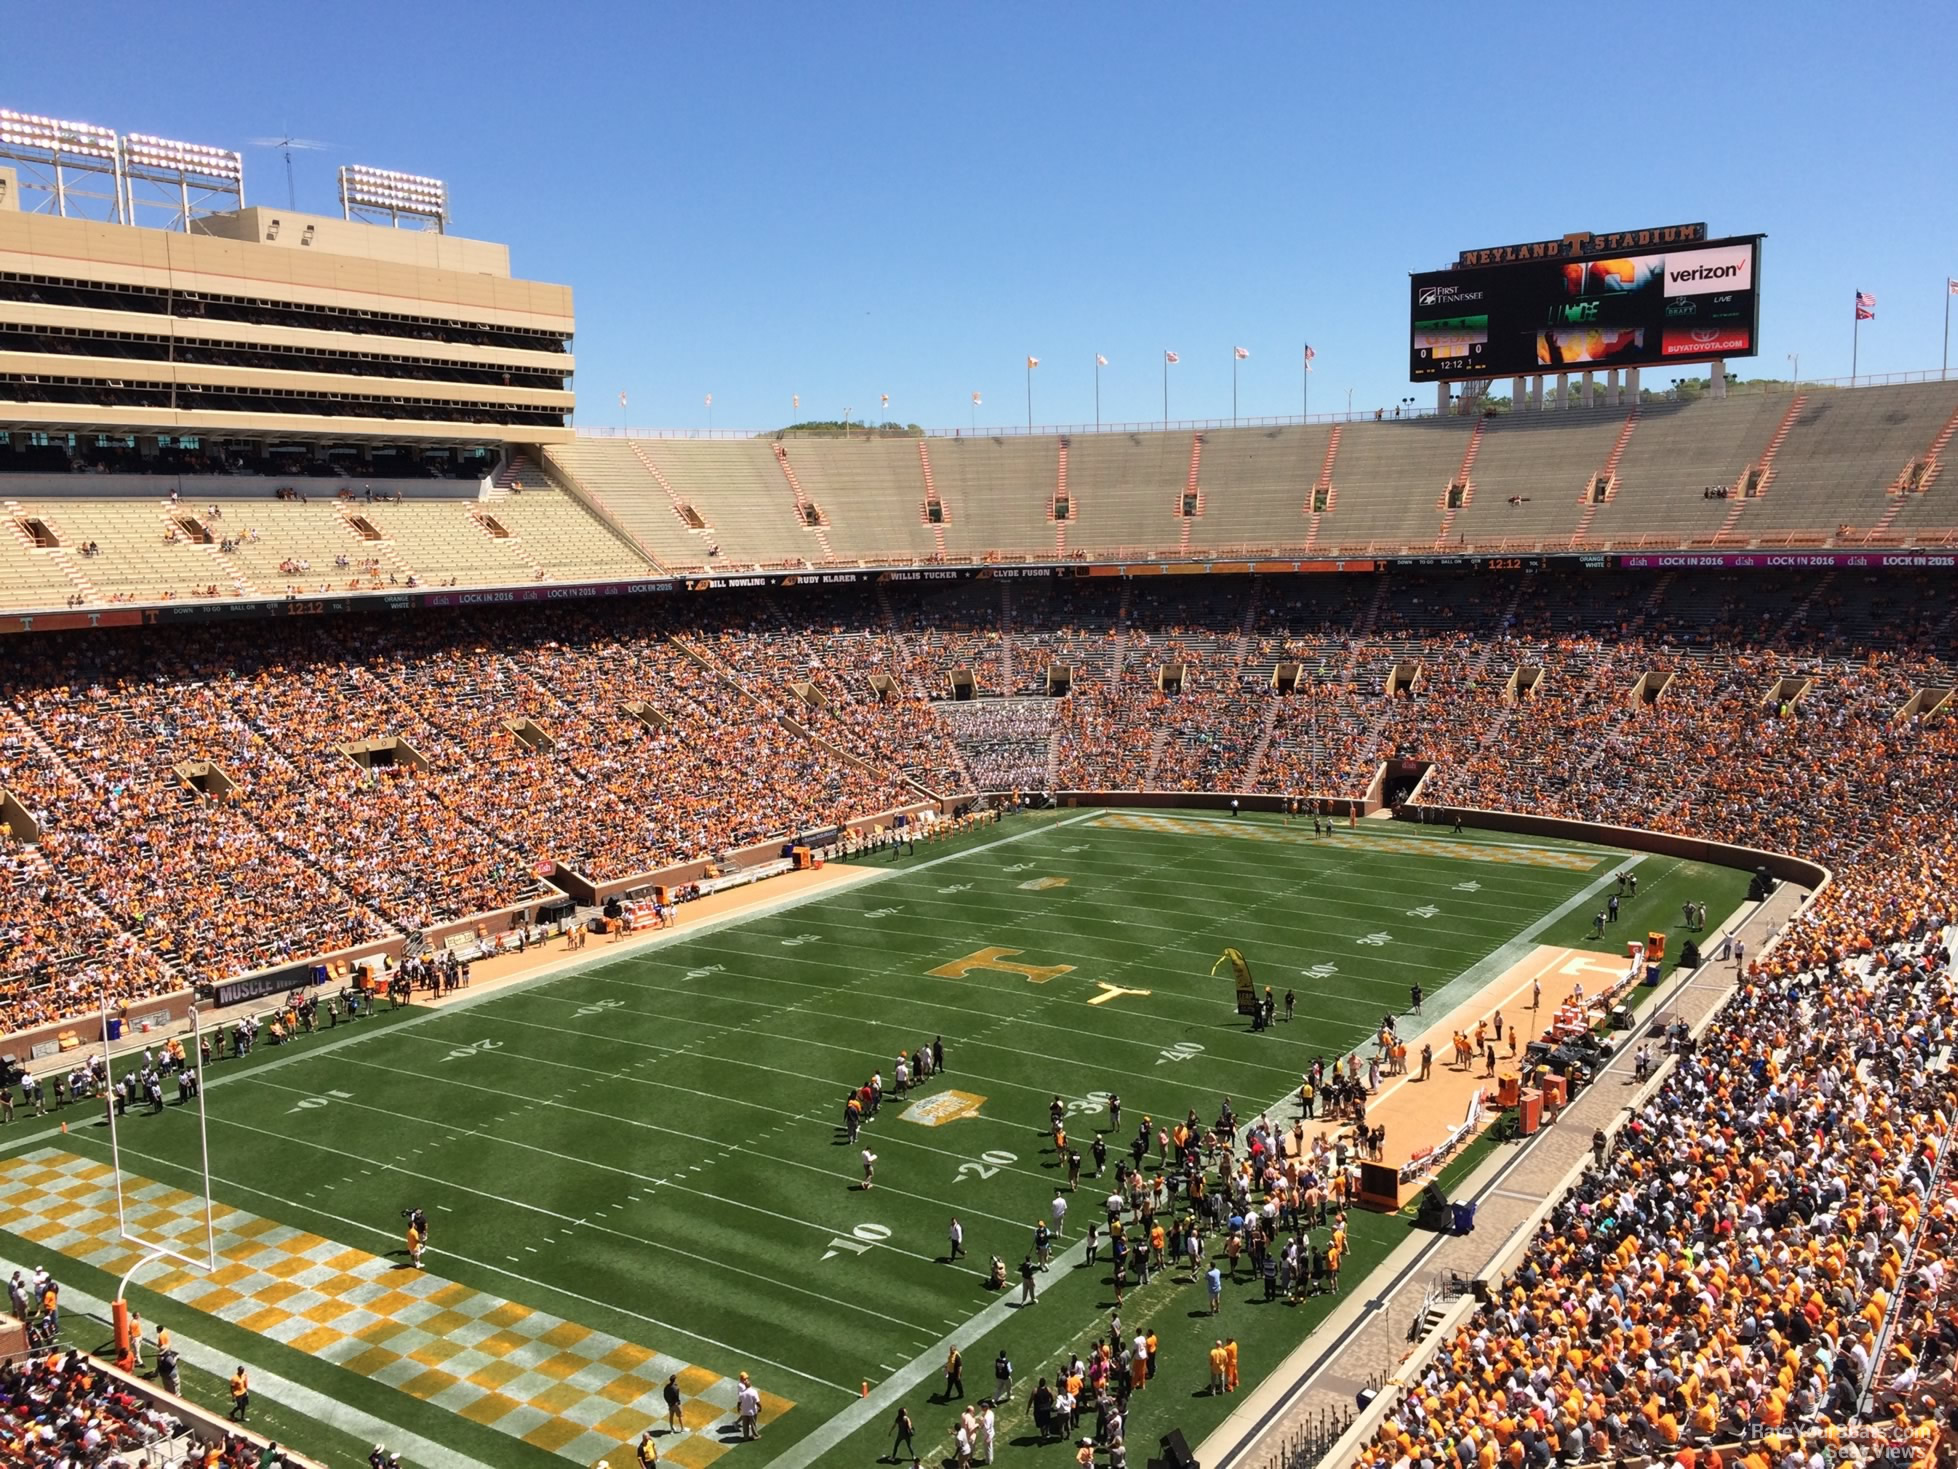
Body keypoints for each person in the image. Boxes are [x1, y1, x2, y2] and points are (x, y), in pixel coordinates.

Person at [737, 1372, 761, 1439]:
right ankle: (755, 1435)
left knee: (745, 1425)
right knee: (753, 1424)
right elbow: (757, 1402)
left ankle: (746, 1437)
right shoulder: (753, 1392)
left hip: (744, 1410)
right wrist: (760, 1407)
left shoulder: (742, 1393)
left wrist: (738, 1408)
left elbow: (739, 1402)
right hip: (752, 1411)